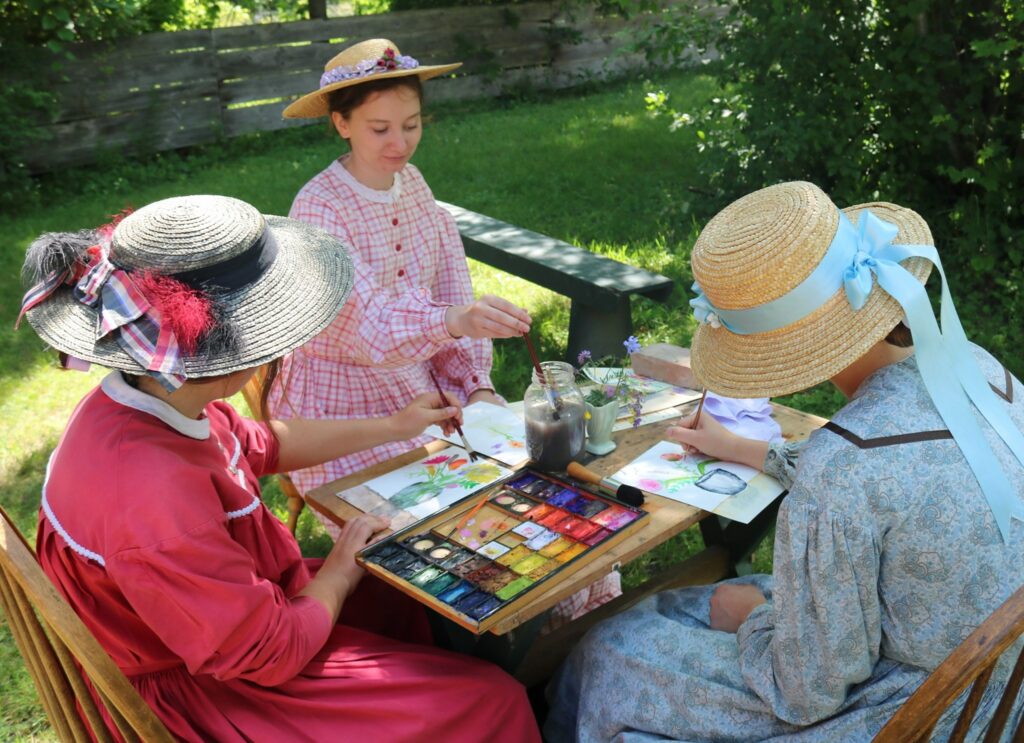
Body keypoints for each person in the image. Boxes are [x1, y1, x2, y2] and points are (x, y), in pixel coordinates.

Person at [18, 195, 541, 742]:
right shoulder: (151, 499)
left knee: (420, 595)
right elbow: (269, 653)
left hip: (232, 617)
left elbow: (261, 444)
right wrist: (339, 569)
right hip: (209, 693)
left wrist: (395, 425)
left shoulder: (151, 401)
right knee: (491, 698)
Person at [545, 181, 1024, 741]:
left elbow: (808, 690)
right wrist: (742, 448)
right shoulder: (979, 370)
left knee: (611, 648)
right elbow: (909, 477)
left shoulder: (841, 471)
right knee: (678, 610)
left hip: (912, 714)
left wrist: (749, 621)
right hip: (1000, 681)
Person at [271, 38, 531, 529]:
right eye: (380, 129)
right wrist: (453, 320)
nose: (400, 143)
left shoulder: (412, 183)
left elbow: (450, 283)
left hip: (415, 391)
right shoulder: (319, 208)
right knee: (421, 533)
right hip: (336, 414)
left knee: (511, 507)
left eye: (411, 126)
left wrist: (475, 387)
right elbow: (370, 328)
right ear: (341, 123)